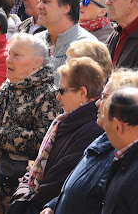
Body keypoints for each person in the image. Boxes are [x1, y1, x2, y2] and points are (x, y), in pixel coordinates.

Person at [42, 69, 138, 214]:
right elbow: (80, 185)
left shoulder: (129, 155)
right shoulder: (106, 137)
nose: (98, 103)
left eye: (104, 97)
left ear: (126, 104)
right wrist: (53, 206)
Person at [0, 33, 59, 213]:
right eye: (9, 54)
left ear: (37, 62)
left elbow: (44, 141)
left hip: (16, 193)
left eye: (16, 55)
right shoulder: (5, 87)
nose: (8, 60)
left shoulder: (48, 94)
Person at [9, 57, 104, 212]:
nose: (57, 97)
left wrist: (24, 201)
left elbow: (56, 183)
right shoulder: (63, 121)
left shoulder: (92, 131)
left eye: (61, 91)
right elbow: (36, 166)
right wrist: (22, 193)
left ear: (82, 93)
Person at [35, 0, 97, 71]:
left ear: (66, 7)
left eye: (46, 2)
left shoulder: (86, 44)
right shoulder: (36, 40)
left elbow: (73, 82)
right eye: (39, 1)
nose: (39, 6)